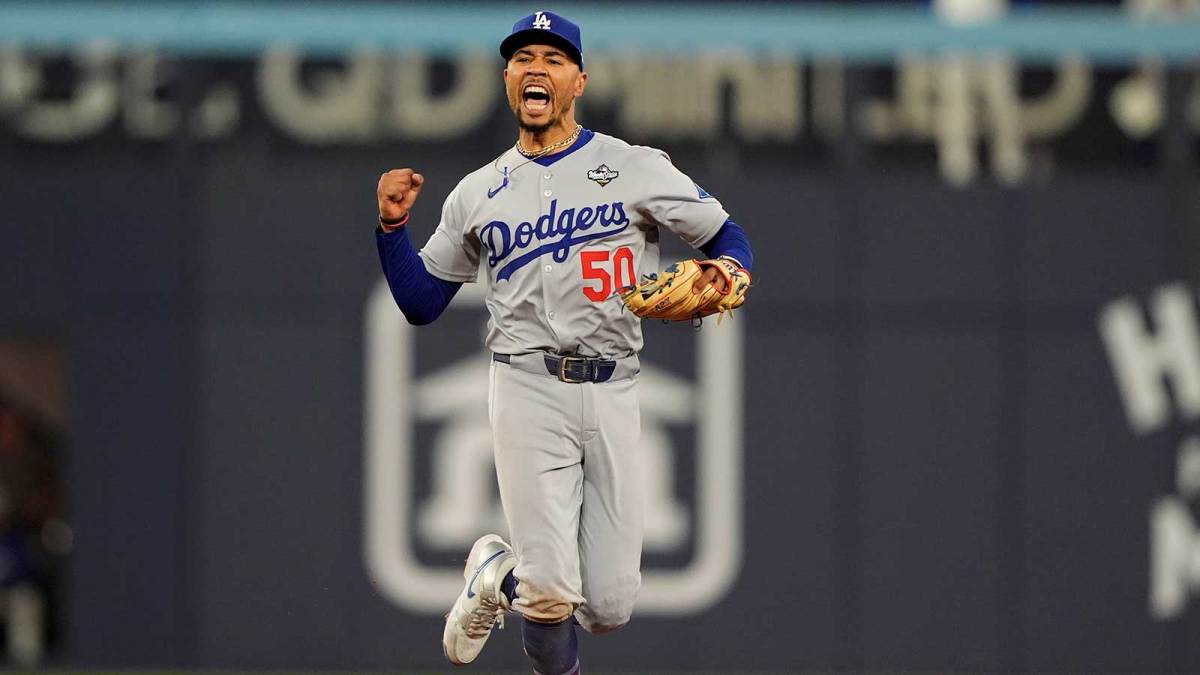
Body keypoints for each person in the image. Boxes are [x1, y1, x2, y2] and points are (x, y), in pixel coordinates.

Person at [374, 10, 754, 674]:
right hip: (527, 384)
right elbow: (420, 301)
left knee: (608, 605)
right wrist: (391, 227)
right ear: (508, 79)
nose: (536, 69)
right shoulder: (478, 193)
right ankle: (520, 585)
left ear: (578, 80)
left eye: (552, 58)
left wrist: (731, 268)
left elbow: (726, 235)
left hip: (615, 386)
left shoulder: (632, 167)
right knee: (550, 594)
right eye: (523, 59)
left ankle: (494, 573)